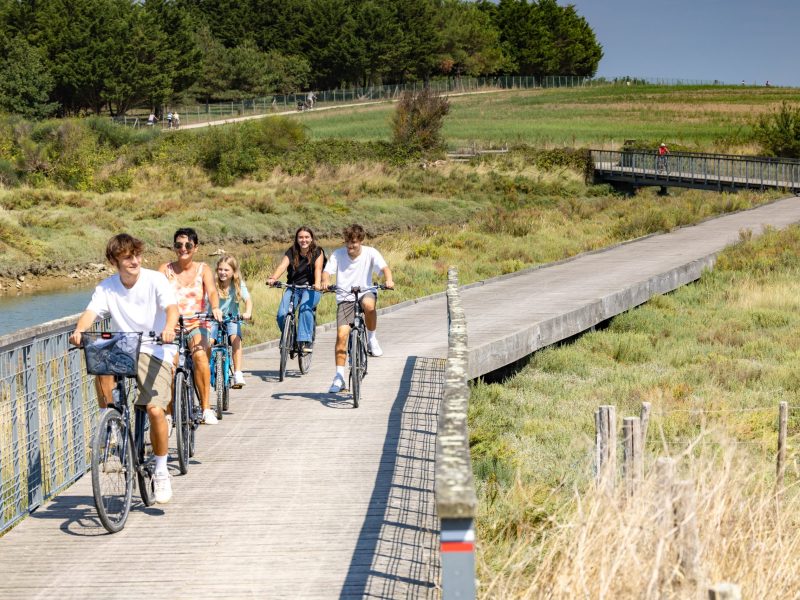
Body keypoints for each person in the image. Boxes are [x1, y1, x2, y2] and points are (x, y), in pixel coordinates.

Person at [69, 233, 178, 504]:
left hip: (154, 348)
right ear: (114, 260)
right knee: (98, 357)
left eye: (137, 255)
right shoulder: (107, 287)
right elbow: (91, 312)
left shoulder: (155, 279)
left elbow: (171, 308)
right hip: (124, 347)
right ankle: (112, 420)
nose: (134, 261)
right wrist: (80, 330)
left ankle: (161, 470)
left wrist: (168, 327)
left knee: (154, 409)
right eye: (127, 257)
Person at [159, 228, 223, 425]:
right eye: (178, 245)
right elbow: (153, 293)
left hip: (197, 322)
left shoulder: (203, 269)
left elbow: (212, 291)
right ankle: (169, 414)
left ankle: (205, 408)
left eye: (188, 245)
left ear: (196, 248)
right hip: (172, 325)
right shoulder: (165, 269)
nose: (183, 249)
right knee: (169, 365)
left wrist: (215, 307)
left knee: (200, 355)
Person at [321, 224, 394, 394]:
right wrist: (325, 281)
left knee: (369, 306)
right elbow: (327, 272)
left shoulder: (371, 252)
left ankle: (371, 338)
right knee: (341, 336)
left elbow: (384, 269)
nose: (350, 246)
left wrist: (388, 280)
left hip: (365, 291)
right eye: (347, 242)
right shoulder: (338, 254)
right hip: (344, 296)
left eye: (353, 242)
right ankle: (339, 377)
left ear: (360, 241)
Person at [267, 226, 325, 356]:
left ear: (311, 238)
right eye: (300, 237)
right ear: (297, 239)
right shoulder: (292, 251)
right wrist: (273, 278)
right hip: (293, 287)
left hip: (311, 288)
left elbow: (318, 268)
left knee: (305, 309)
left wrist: (317, 283)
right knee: (282, 314)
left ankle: (305, 340)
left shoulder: (317, 251)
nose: (303, 240)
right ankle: (290, 338)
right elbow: (282, 266)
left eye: (306, 237)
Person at [213, 254, 253, 388]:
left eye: (226, 270)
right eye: (220, 269)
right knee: (209, 341)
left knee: (235, 338)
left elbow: (247, 300)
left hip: (232, 318)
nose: (222, 273)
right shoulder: (212, 283)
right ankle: (206, 368)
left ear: (233, 272)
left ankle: (237, 373)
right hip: (212, 318)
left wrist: (247, 312)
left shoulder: (237, 284)